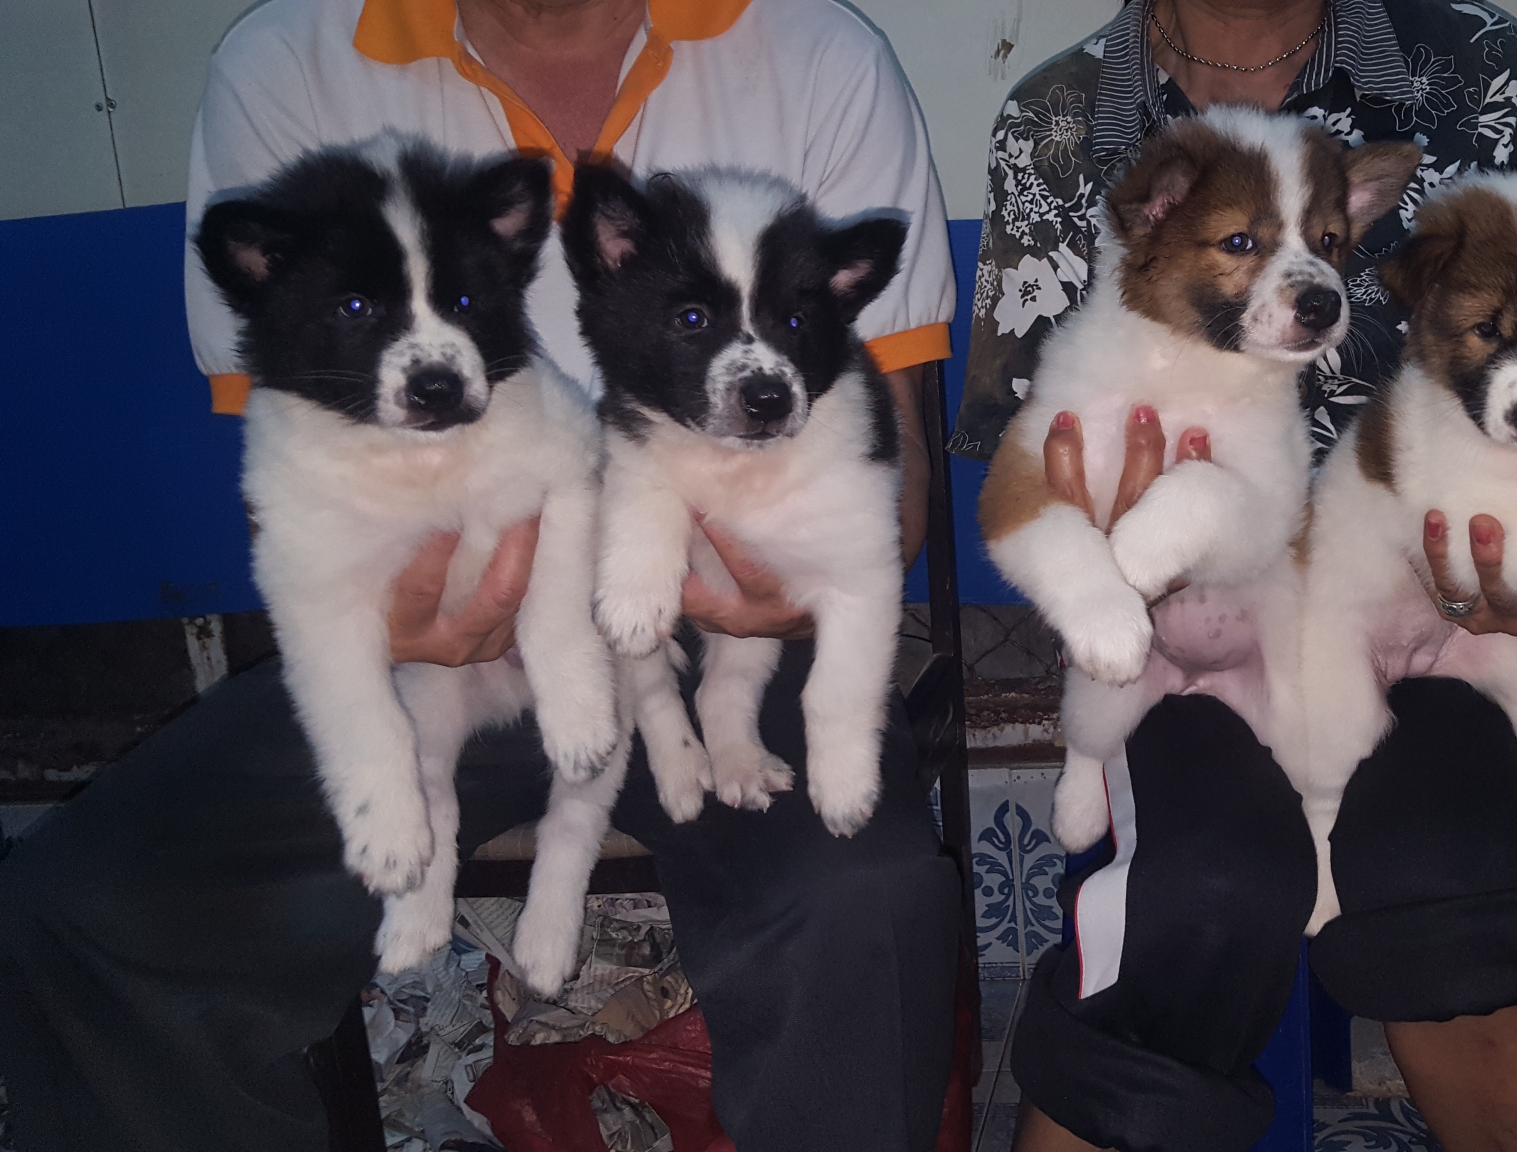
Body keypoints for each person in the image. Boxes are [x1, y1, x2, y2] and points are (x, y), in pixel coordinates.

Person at [0, 1, 962, 1149]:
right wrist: (393, 622)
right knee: (92, 909)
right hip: (426, 627)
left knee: (863, 907)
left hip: (725, 617)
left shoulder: (819, 56)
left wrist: (777, 596)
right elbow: (289, 447)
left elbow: (891, 470)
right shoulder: (287, 66)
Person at [954, 2, 1517, 1151]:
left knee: (1450, 874)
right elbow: (1021, 444)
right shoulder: (1060, 116)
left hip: (1425, 604)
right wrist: (1110, 569)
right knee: (1202, 895)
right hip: (1186, 627)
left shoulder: (1460, 61)